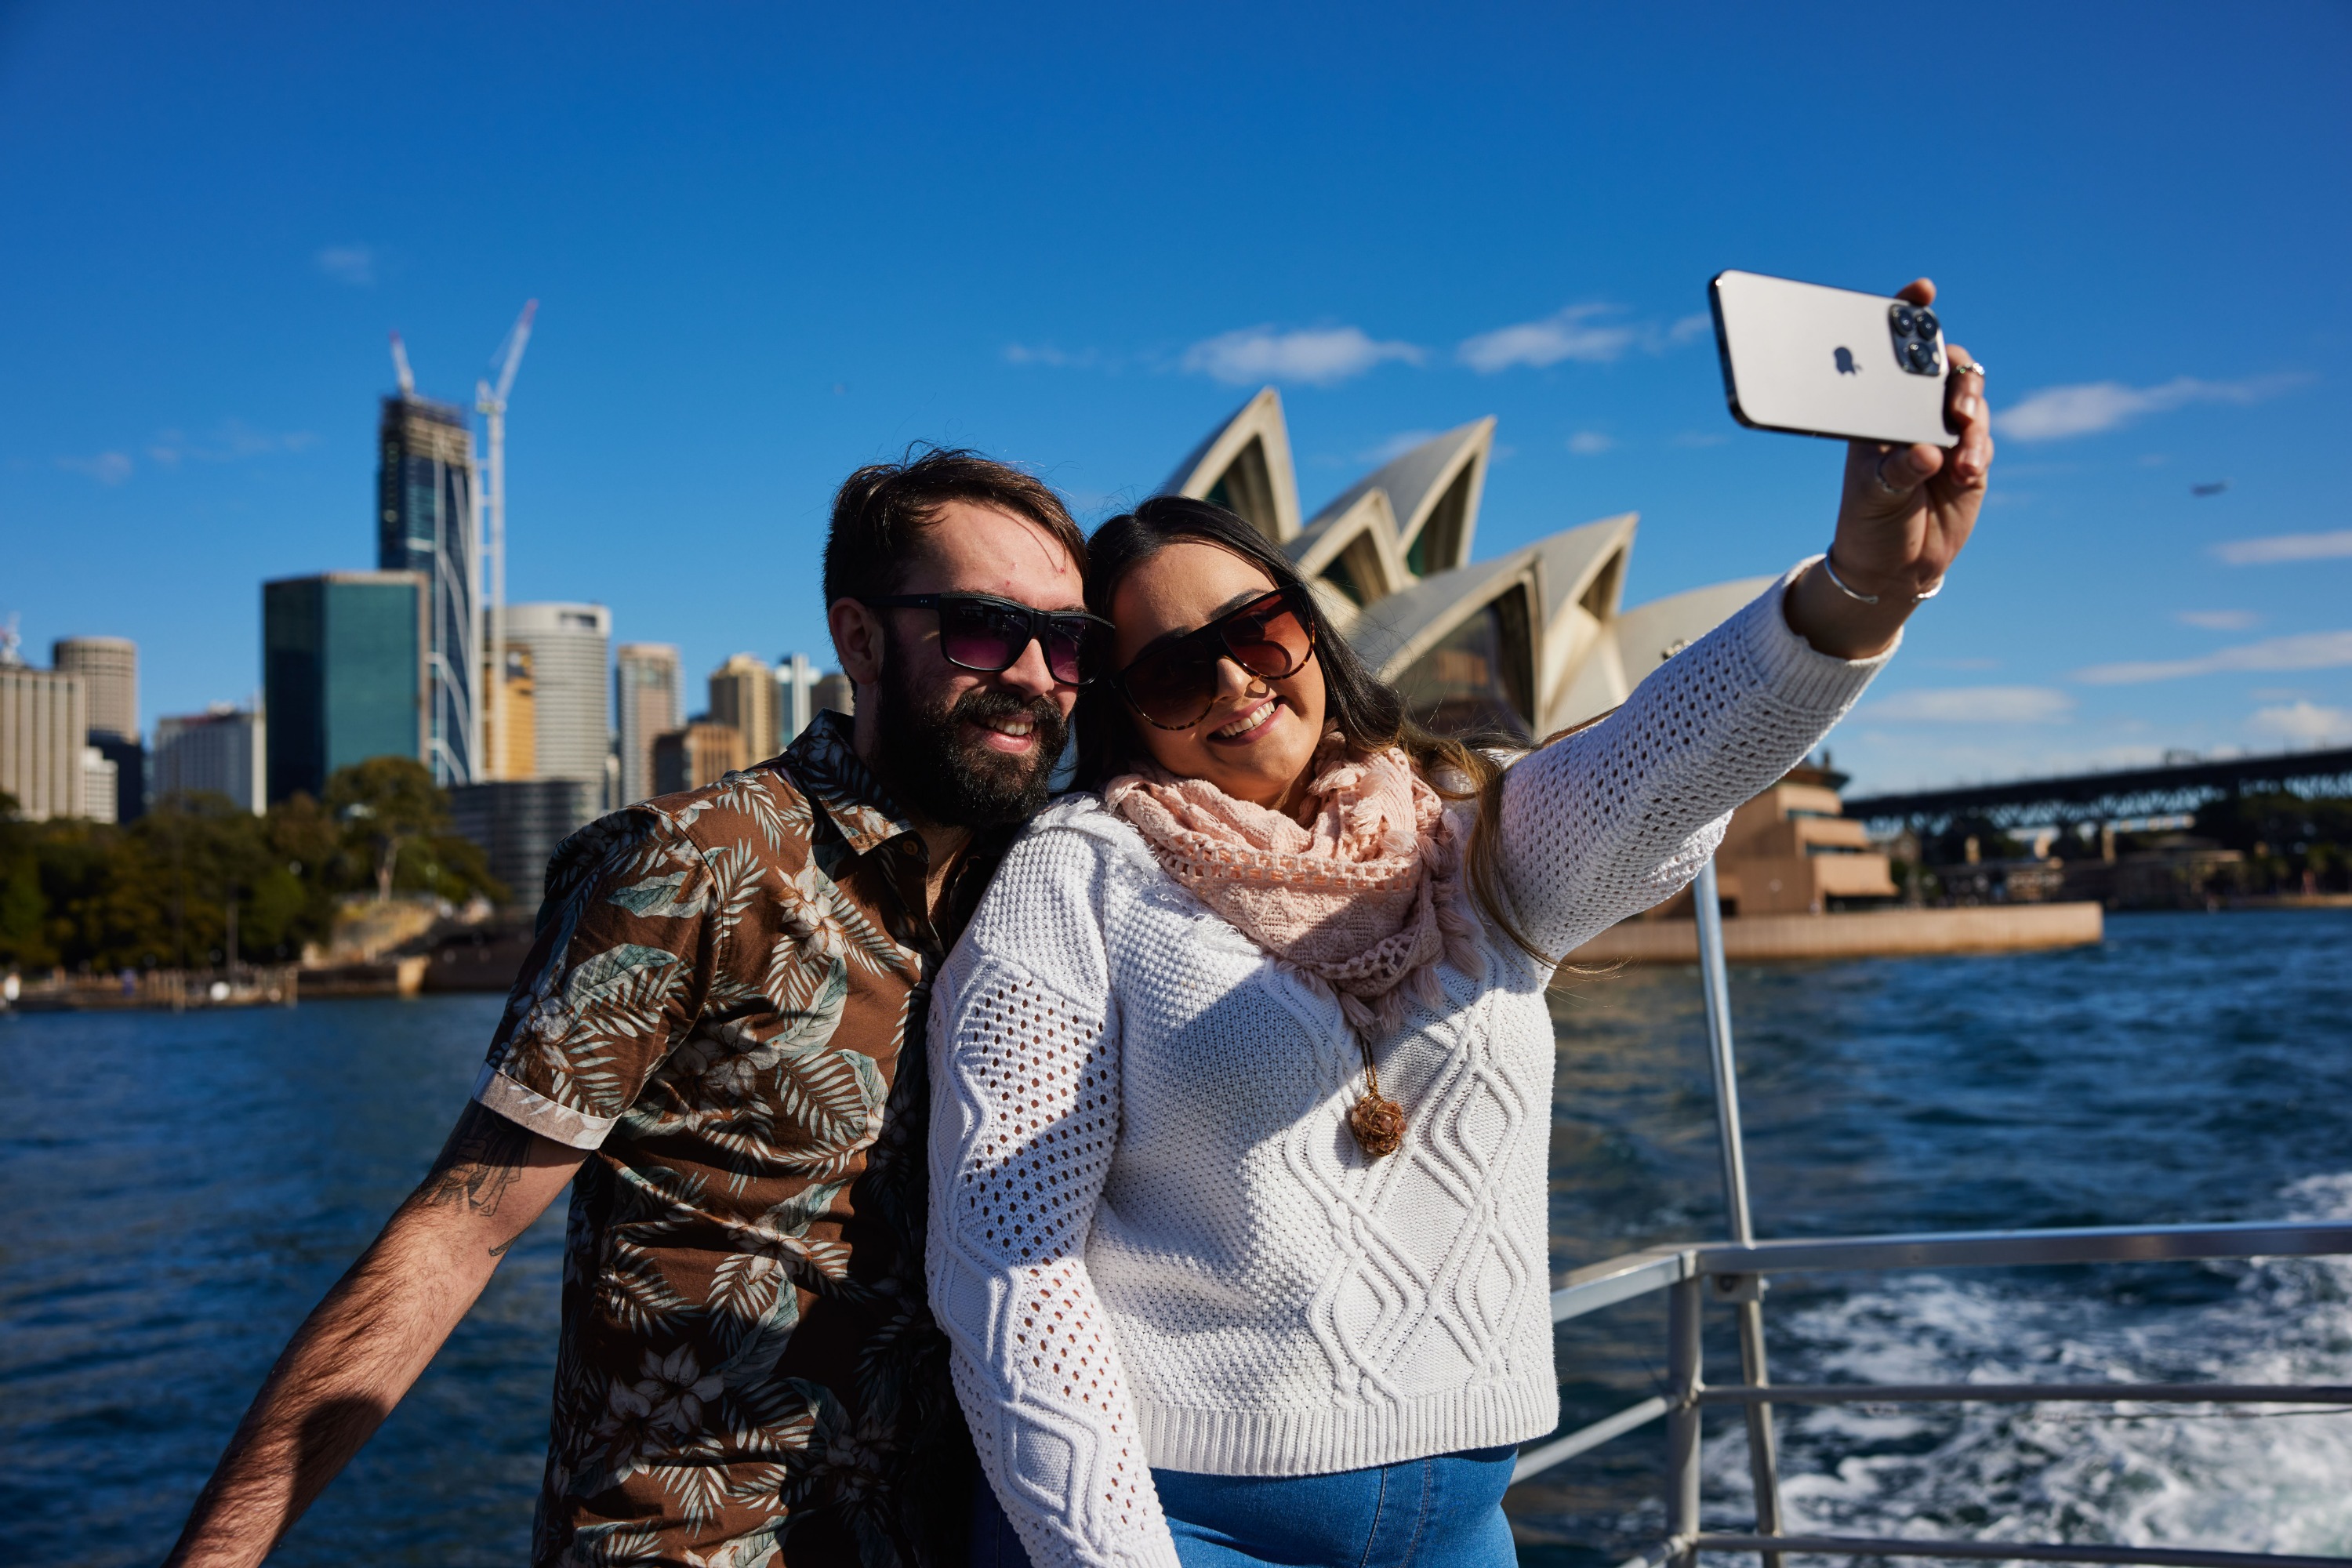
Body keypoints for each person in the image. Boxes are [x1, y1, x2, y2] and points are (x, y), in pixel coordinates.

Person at [928, 283, 1991, 1567]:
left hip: (1466, 1520)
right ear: (1122, 709)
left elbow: (1666, 761)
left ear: (1308, 627)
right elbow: (1010, 1264)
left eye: (1258, 631)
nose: (1231, 681)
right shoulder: (1078, 875)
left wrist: (1869, 583)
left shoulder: (1461, 831)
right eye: (1167, 668)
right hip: (1180, 1515)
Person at [165, 449, 1112, 1568]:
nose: (1035, 674)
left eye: (1067, 643)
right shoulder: (695, 865)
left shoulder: (1054, 884)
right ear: (859, 640)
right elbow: (458, 1231)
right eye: (982, 629)